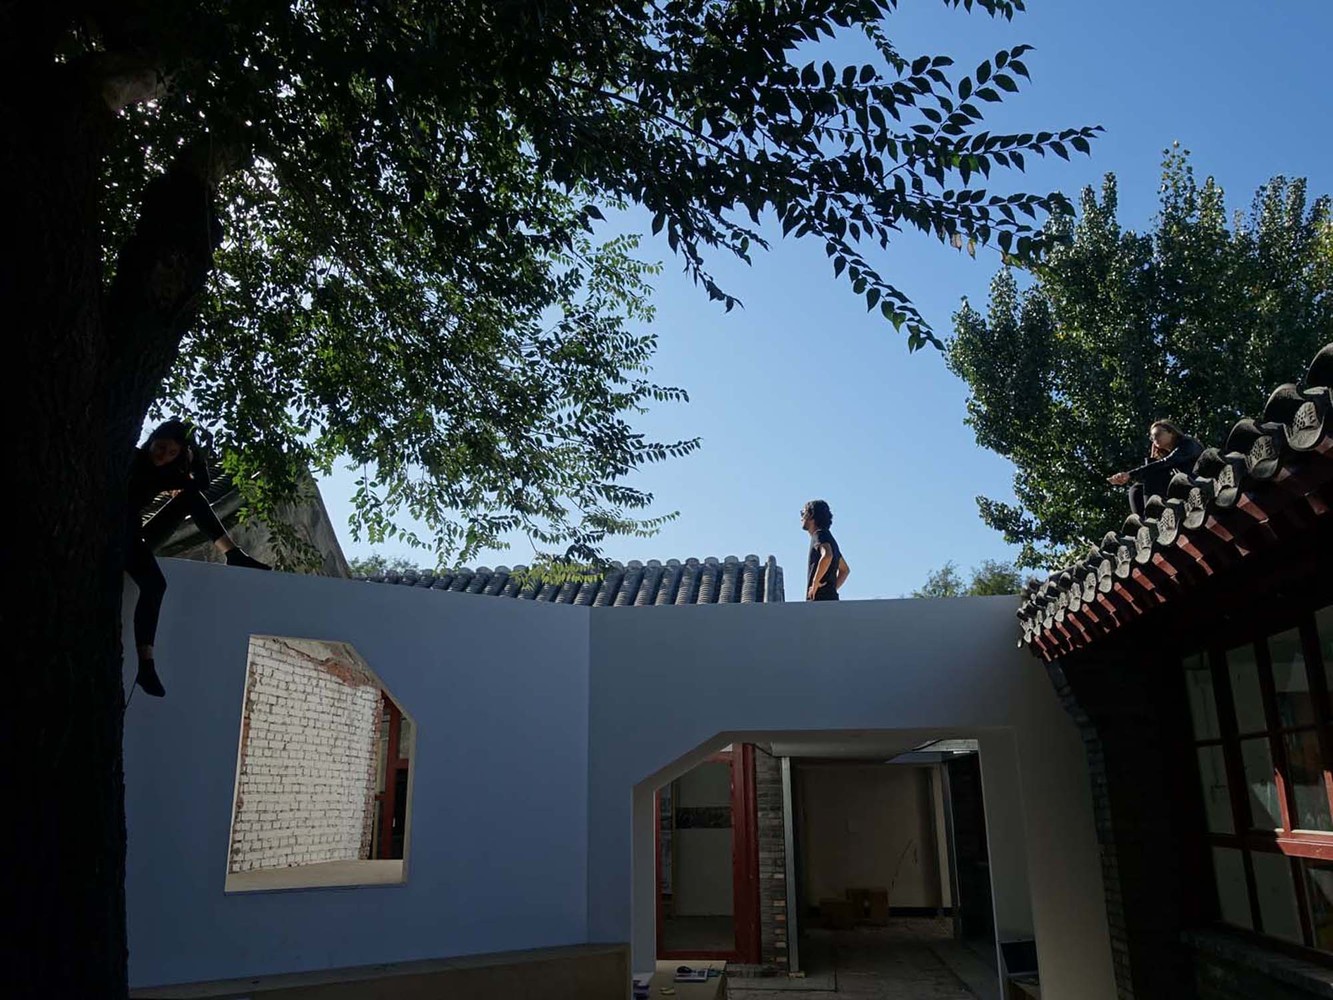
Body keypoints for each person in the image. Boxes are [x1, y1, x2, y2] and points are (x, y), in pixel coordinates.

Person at [126, 419, 270, 698]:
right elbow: (198, 482)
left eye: (172, 454)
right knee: (155, 585)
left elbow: (199, 487)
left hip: (137, 537)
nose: (163, 456)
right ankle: (146, 663)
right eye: (162, 447)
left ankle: (233, 553)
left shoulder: (165, 473)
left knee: (191, 499)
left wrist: (195, 457)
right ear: (152, 439)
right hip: (115, 536)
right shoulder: (131, 458)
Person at [1107, 419, 1203, 517]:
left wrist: (1129, 474)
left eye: (1157, 434)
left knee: (1154, 471)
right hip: (1177, 486)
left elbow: (1166, 462)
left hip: (1194, 484)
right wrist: (1152, 460)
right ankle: (1145, 522)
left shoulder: (1187, 443)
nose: (1154, 439)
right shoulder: (1169, 454)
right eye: (1152, 437)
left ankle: (1152, 514)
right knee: (1136, 489)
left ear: (1171, 433)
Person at [801, 499, 850, 601]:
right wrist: (831, 589)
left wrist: (815, 584)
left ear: (811, 515)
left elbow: (827, 555)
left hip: (819, 602)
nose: (801, 518)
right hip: (831, 600)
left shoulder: (819, 535)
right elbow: (844, 570)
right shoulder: (830, 539)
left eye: (803, 513)